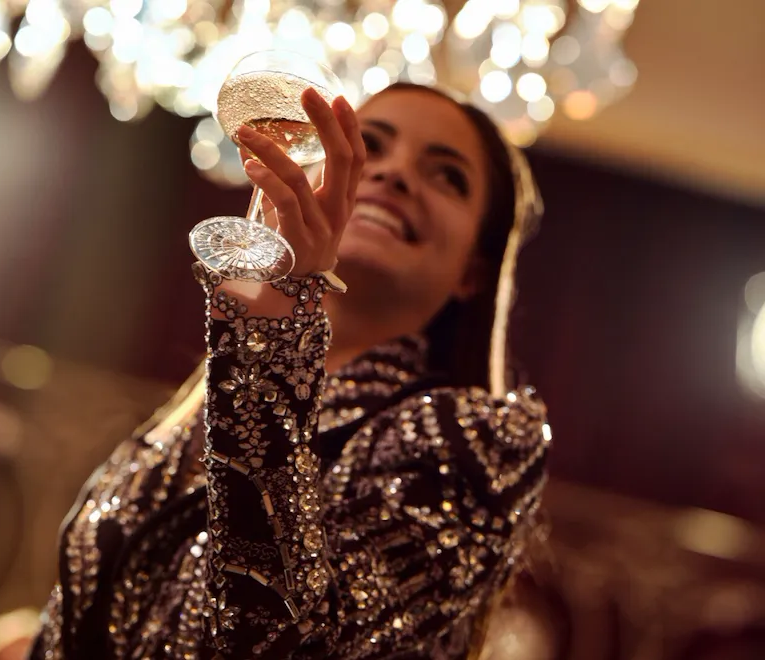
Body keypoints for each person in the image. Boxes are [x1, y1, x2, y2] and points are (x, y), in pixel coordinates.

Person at [28, 80, 550, 659]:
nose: (395, 173)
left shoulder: (482, 437)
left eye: (446, 175)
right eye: (367, 145)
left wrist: (269, 337)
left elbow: (283, 642)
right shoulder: (177, 429)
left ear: (472, 274)